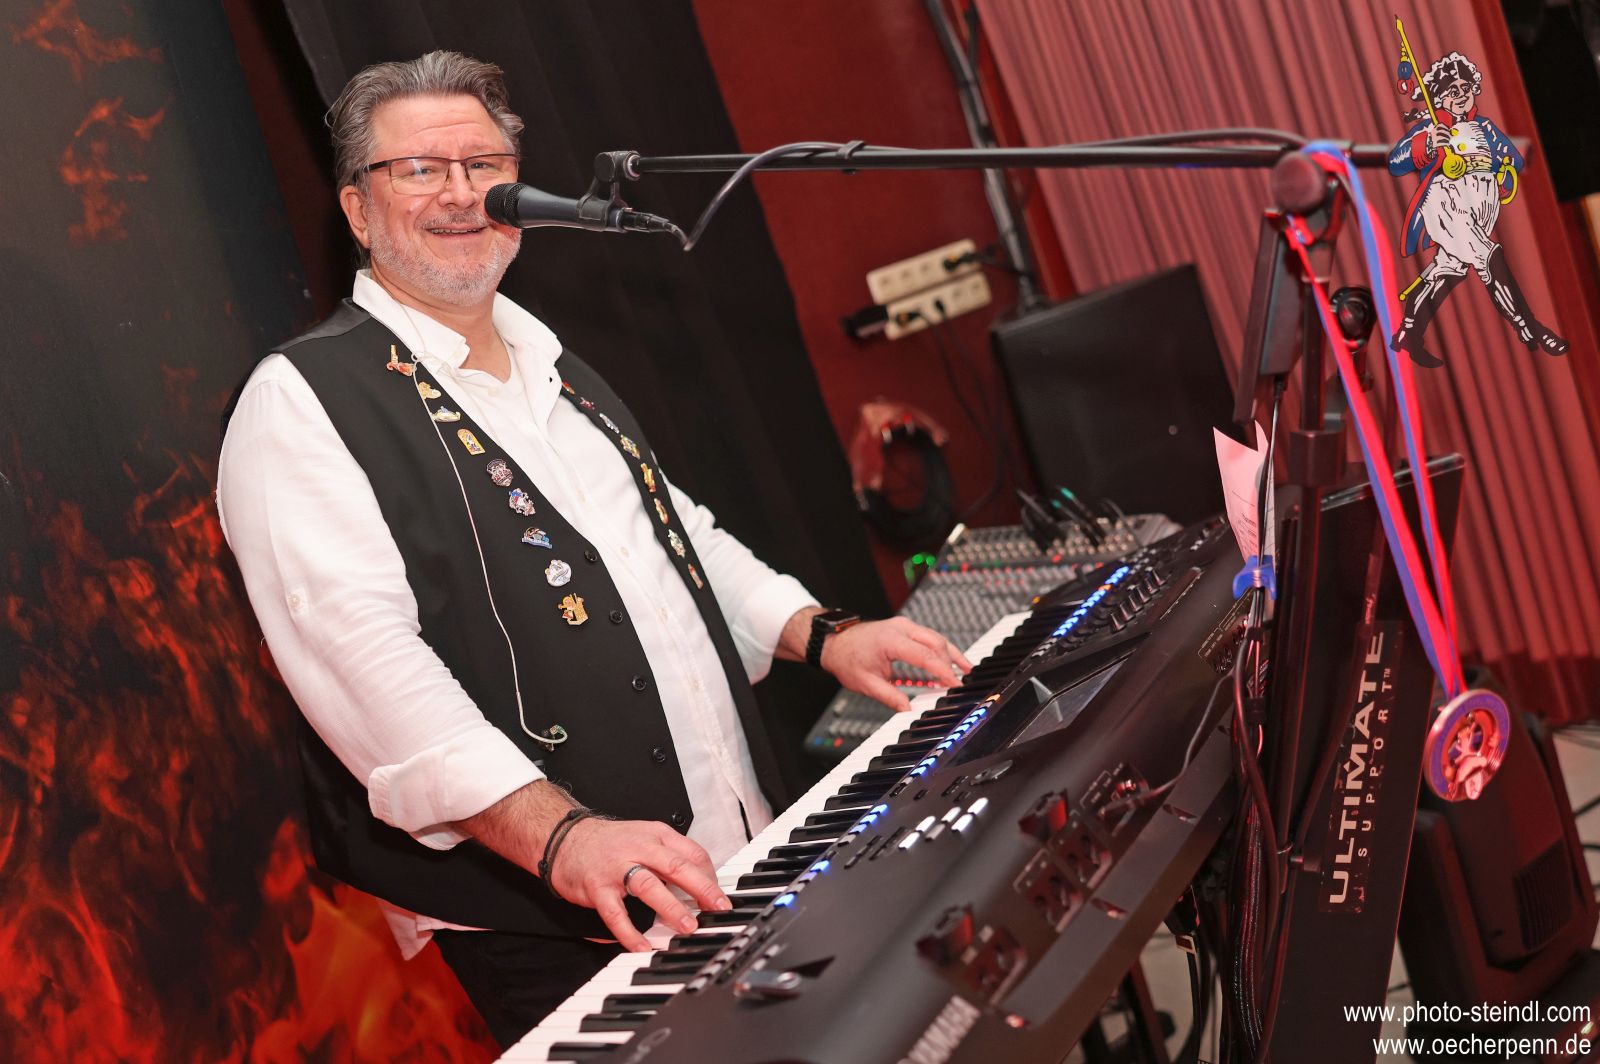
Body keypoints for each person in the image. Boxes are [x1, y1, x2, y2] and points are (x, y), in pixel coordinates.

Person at [216, 50, 971, 1048]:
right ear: (357, 210)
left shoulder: (548, 357)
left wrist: (822, 634)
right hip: (561, 914)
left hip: (732, 851)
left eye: (484, 164)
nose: (461, 193)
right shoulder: (300, 402)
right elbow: (368, 670)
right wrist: (562, 835)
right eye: (420, 169)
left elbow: (671, 537)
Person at [1387, 50, 1566, 366]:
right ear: (1439, 97)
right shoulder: (1431, 127)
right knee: (1489, 258)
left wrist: (1503, 171)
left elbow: (1514, 159)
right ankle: (1530, 327)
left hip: (1481, 207)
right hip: (1447, 205)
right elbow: (1396, 161)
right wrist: (1428, 143)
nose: (1460, 95)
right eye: (1452, 90)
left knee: (1449, 269)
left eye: (1465, 88)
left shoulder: (1485, 127)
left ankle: (1408, 332)